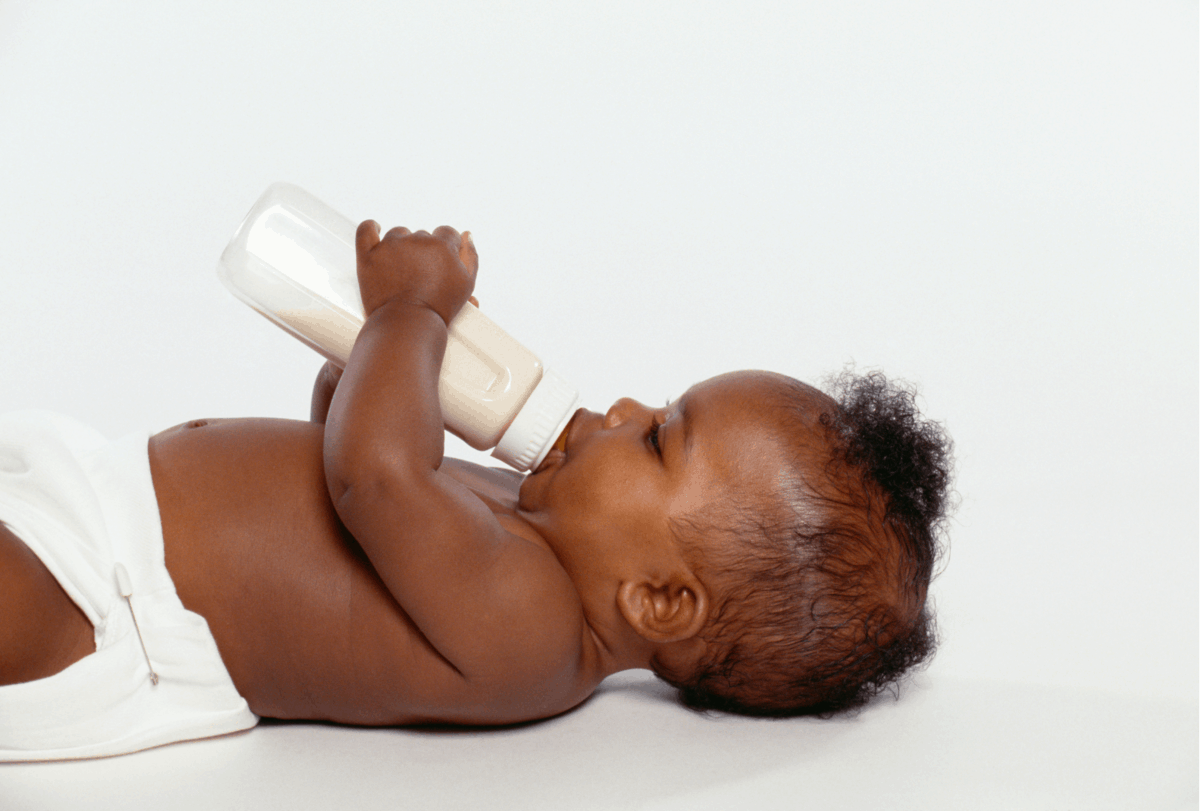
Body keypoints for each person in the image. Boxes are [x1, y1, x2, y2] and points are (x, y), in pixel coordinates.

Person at [0, 222, 953, 760]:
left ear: (659, 599)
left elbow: (373, 478)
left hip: (107, 608)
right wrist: (382, 362)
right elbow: (349, 454)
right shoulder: (527, 514)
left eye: (660, 436)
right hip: (94, 502)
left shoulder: (530, 628)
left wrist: (411, 315)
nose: (621, 406)